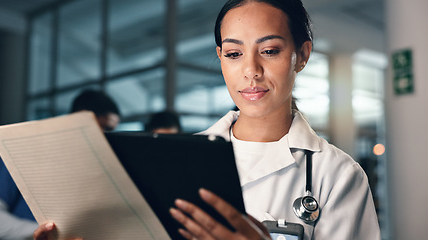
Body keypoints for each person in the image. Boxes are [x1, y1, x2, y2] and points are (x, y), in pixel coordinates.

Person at [34, 0, 381, 239]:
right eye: (233, 54)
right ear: (220, 58)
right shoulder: (172, 158)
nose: (251, 71)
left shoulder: (337, 175)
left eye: (270, 50)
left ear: (301, 55)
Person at [0, 89, 120, 240]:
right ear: (76, 119)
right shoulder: (25, 152)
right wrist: (48, 233)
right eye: (99, 127)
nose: (103, 137)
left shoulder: (101, 176)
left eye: (109, 131)